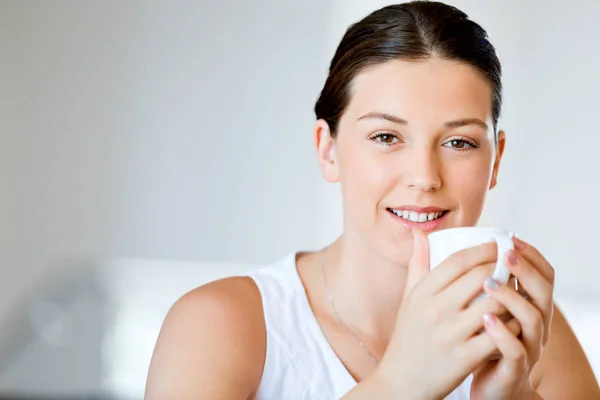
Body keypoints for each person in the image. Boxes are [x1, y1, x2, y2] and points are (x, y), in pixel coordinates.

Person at [144, 1, 600, 399]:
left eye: (459, 142)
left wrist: (514, 399)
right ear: (328, 150)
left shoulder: (531, 334)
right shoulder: (219, 327)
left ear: (495, 161)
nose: (424, 177)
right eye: (386, 136)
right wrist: (400, 385)